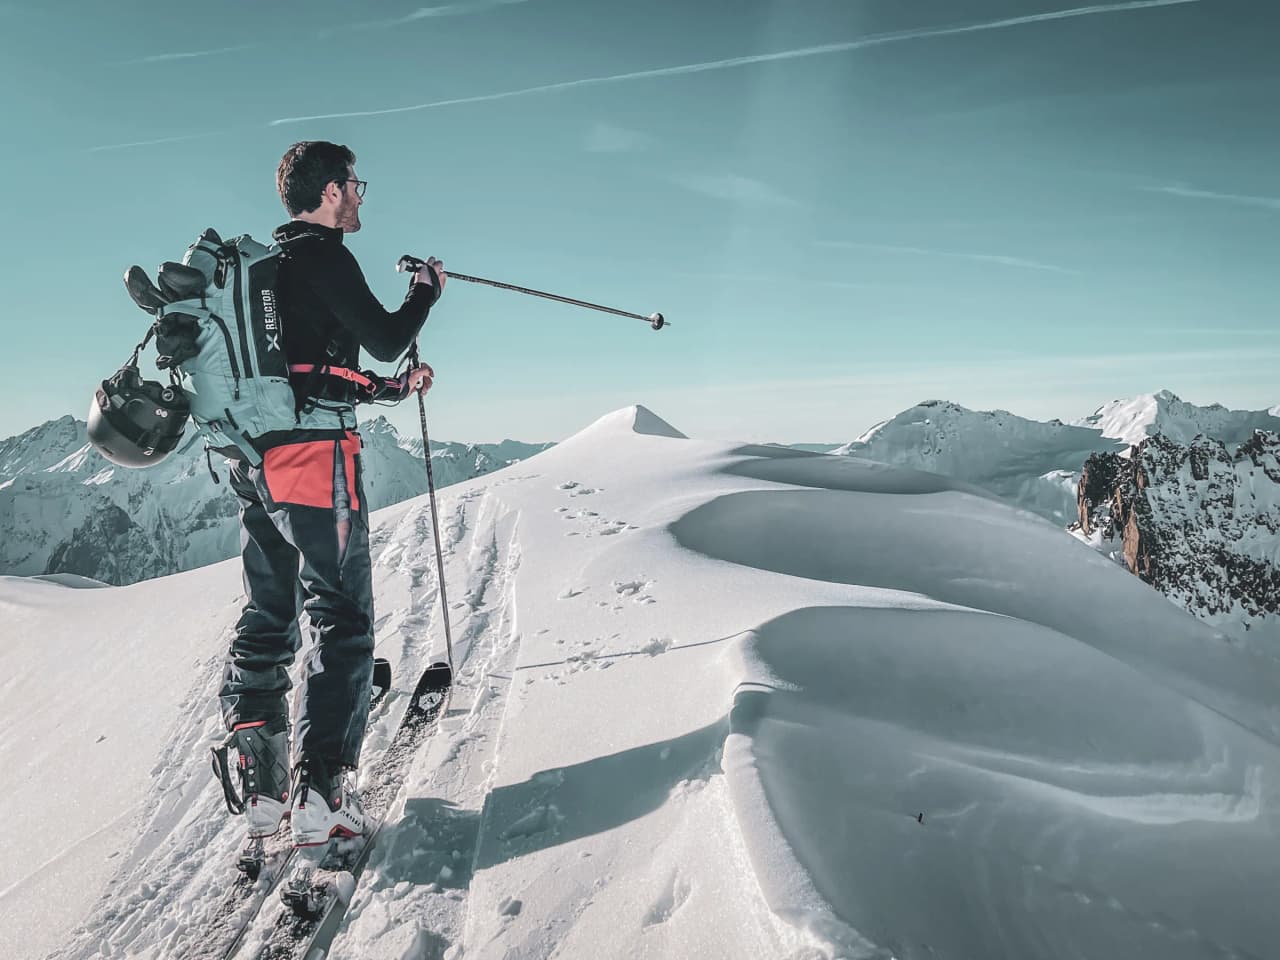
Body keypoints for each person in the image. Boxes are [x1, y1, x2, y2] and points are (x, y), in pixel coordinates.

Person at [218, 141, 446, 847]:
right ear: (329, 192)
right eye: (355, 184)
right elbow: (380, 338)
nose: (361, 195)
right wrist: (426, 293)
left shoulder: (270, 270)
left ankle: (260, 788)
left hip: (256, 458)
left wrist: (391, 389)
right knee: (341, 615)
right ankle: (322, 795)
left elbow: (317, 369)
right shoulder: (323, 255)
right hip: (317, 464)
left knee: (269, 612)